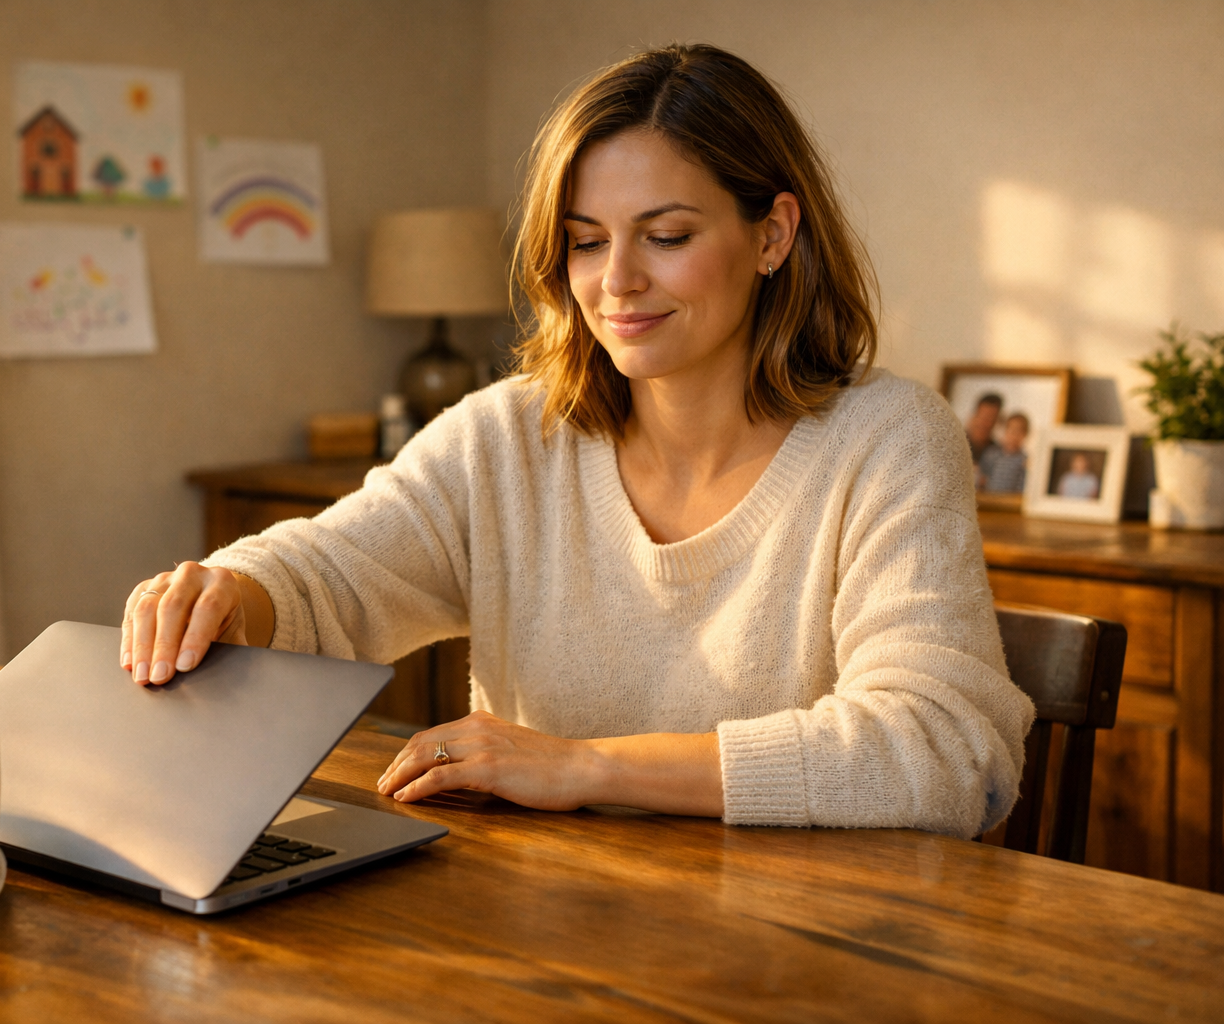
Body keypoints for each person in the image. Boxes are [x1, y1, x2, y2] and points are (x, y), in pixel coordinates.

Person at [121, 45, 1032, 838]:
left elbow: (946, 752)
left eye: (666, 236)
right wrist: (230, 592)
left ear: (773, 235)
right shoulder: (512, 434)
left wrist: (586, 768)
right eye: (586, 243)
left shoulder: (889, 441)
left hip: (799, 953)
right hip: (544, 934)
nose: (618, 283)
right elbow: (330, 579)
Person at [977, 412, 1029, 493]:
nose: (1014, 435)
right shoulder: (992, 454)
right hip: (989, 498)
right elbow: (982, 477)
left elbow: (1023, 487)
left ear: (1025, 434)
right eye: (1011, 430)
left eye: (1018, 431)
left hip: (1010, 502)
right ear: (1005, 431)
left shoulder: (1024, 461)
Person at [964, 393, 1003, 464]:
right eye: (983, 416)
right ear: (975, 415)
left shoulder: (997, 452)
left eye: (991, 418)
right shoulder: (957, 440)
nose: (985, 423)